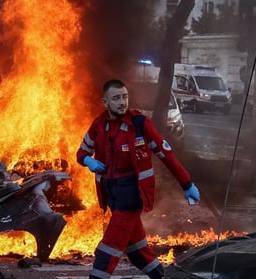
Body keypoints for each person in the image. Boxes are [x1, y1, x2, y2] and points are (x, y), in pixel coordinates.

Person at [76, 79, 200, 279]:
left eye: (124, 97)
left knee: (108, 249)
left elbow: (166, 154)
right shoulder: (99, 125)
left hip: (132, 196)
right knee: (137, 250)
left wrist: (187, 184)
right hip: (112, 196)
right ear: (105, 102)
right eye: (116, 98)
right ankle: (163, 277)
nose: (122, 102)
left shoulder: (140, 124)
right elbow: (81, 153)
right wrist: (88, 161)